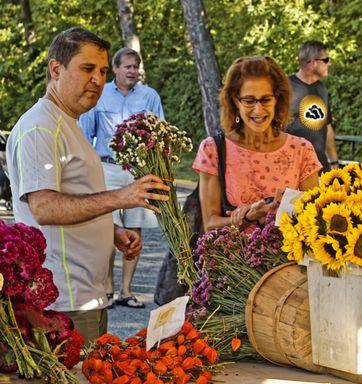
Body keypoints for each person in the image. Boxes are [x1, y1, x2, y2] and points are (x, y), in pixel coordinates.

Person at [6, 27, 170, 345]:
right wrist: (122, 197)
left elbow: (76, 198)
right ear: (56, 69)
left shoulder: (68, 122)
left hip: (88, 295)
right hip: (62, 302)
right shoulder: (40, 127)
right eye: (87, 68)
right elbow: (44, 207)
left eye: (103, 70)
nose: (98, 78)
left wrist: (112, 232)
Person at [193, 55, 322, 231]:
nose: (258, 109)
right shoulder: (212, 149)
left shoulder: (301, 150)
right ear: (234, 101)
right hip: (231, 257)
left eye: (266, 99)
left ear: (277, 99)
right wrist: (246, 217)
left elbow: (313, 220)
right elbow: (209, 224)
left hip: (289, 258)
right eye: (249, 100)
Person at [79, 48, 165, 309]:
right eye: (127, 66)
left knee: (133, 231)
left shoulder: (149, 96)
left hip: (138, 169)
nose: (132, 70)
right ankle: (107, 289)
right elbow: (85, 134)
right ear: (115, 69)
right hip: (108, 168)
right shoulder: (100, 94)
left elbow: (159, 131)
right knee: (107, 228)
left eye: (136, 66)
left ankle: (126, 290)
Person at [285, 40, 339, 172]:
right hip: (291, 168)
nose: (329, 64)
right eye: (326, 60)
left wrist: (334, 162)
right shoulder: (285, 88)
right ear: (314, 62)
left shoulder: (322, 89)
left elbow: (327, 128)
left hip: (320, 167)